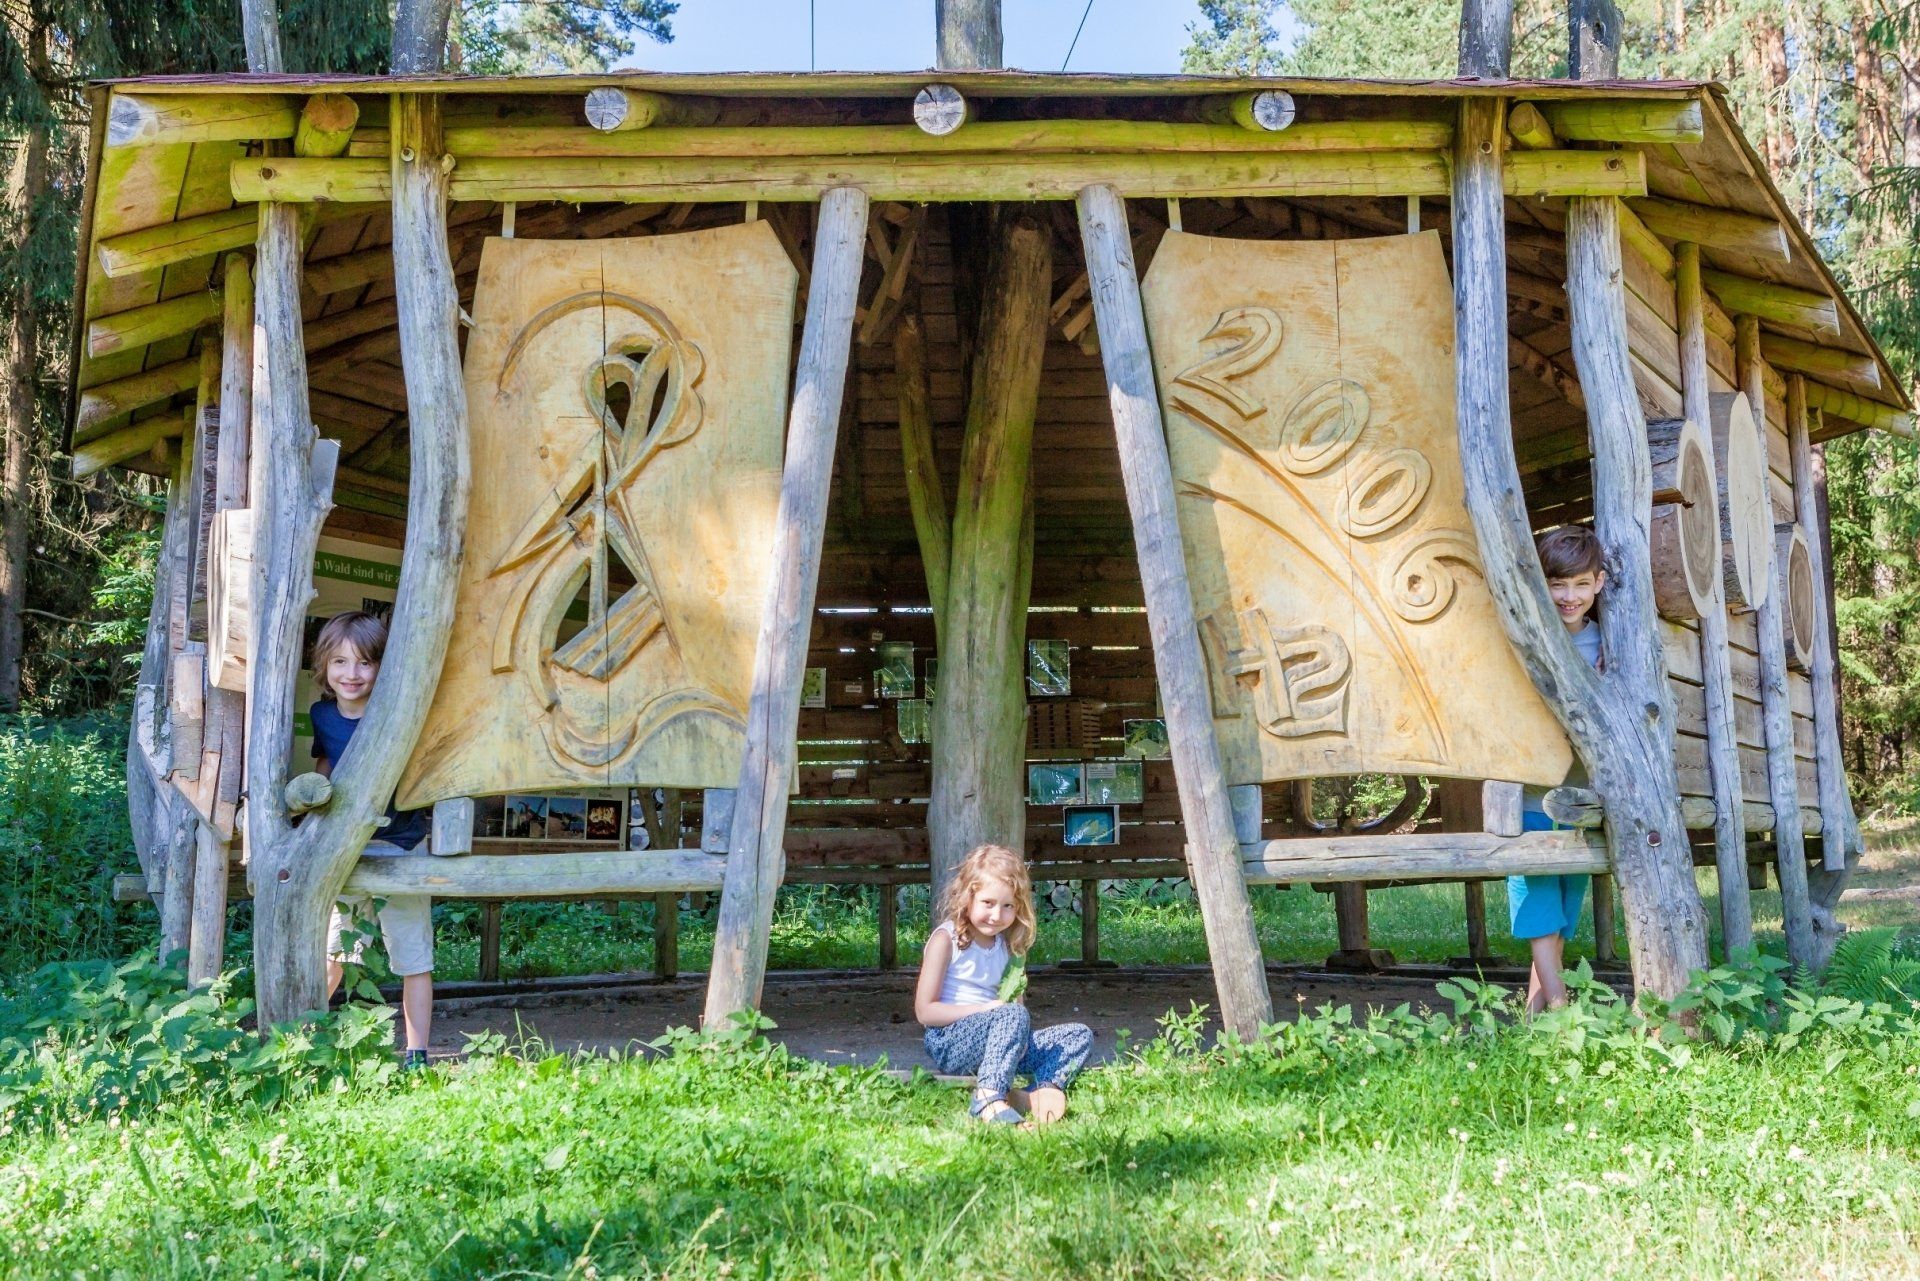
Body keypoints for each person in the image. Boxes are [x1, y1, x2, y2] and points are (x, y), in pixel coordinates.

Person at [306, 610, 437, 1069]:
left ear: (382, 667)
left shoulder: (397, 712)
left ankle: (417, 1052)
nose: (352, 674)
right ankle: (304, 1041)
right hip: (347, 848)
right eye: (340, 662)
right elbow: (325, 766)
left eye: (364, 663)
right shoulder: (322, 715)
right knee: (333, 948)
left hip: (401, 845)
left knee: (412, 952)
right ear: (324, 666)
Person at [915, 844, 1093, 1126]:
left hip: (1003, 1044)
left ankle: (1034, 1094)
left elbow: (1015, 1013)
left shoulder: (1009, 947)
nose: (997, 915)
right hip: (951, 1043)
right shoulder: (945, 940)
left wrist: (1011, 1028)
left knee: (1078, 1035)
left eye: (1007, 905)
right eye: (988, 903)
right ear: (967, 898)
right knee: (1011, 1014)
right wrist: (987, 1010)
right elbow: (925, 1012)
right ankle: (988, 1098)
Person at [1512, 525, 1608, 1014]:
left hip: (1582, 797)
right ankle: (1562, 1012)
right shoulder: (1525, 636)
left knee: (1565, 911)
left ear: (1599, 583)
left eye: (1579, 584)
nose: (1569, 597)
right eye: (1557, 584)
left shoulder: (1610, 642)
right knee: (1538, 906)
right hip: (1530, 793)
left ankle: (1534, 1015)